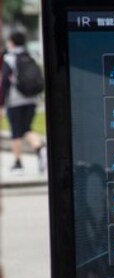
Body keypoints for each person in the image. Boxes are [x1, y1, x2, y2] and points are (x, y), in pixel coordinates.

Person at [1, 31, 45, 175]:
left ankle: (18, 164)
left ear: (12, 41)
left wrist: (1, 103)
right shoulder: (31, 56)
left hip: (15, 101)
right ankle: (40, 148)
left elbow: (5, 82)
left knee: (15, 132)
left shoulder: (9, 58)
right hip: (32, 99)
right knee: (26, 128)